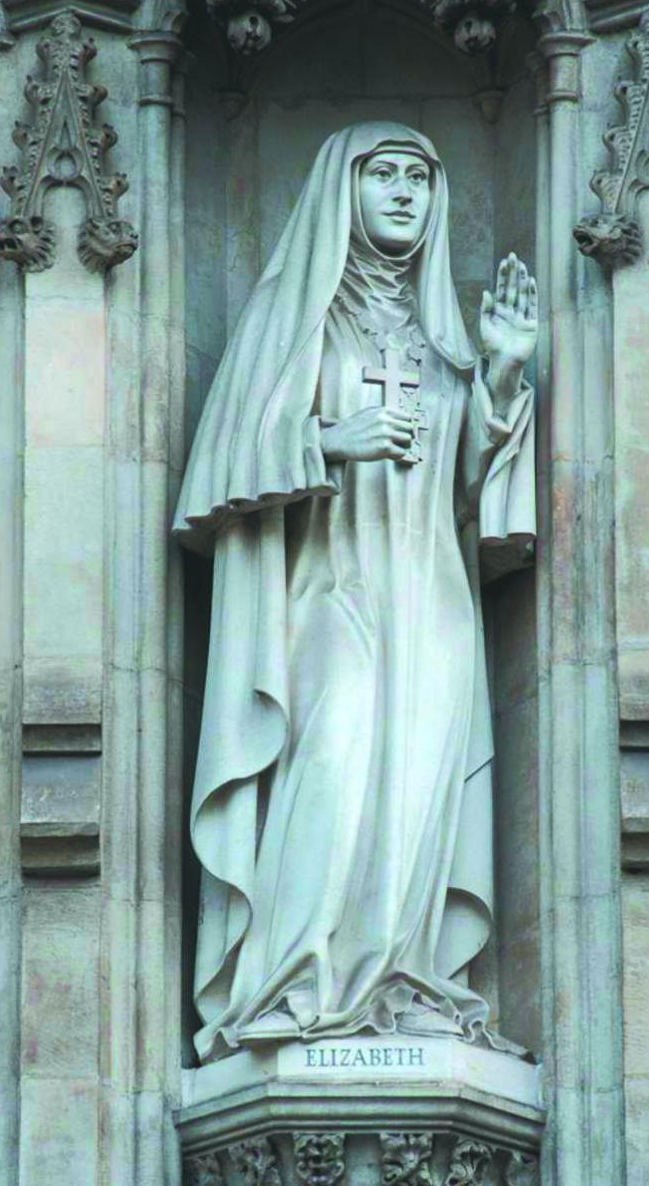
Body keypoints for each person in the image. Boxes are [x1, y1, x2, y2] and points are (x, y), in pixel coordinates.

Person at [173, 121, 537, 1064]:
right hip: (325, 587)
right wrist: (331, 441)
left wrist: (500, 374)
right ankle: (291, 985)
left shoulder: (443, 341)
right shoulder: (293, 318)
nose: (405, 192)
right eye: (384, 175)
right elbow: (223, 466)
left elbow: (476, 504)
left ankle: (400, 985)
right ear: (345, 187)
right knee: (332, 754)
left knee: (415, 788)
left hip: (432, 596)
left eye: (419, 177)